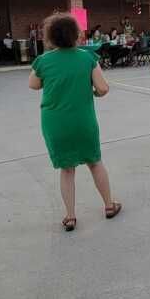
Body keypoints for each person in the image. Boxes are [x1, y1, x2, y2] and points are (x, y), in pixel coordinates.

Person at [29, 14, 121, 230]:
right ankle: (109, 205)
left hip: (55, 122)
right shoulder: (87, 58)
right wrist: (91, 93)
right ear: (76, 35)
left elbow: (34, 84)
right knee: (94, 162)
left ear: (50, 37)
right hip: (82, 120)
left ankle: (70, 216)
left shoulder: (43, 61)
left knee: (67, 169)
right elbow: (103, 88)